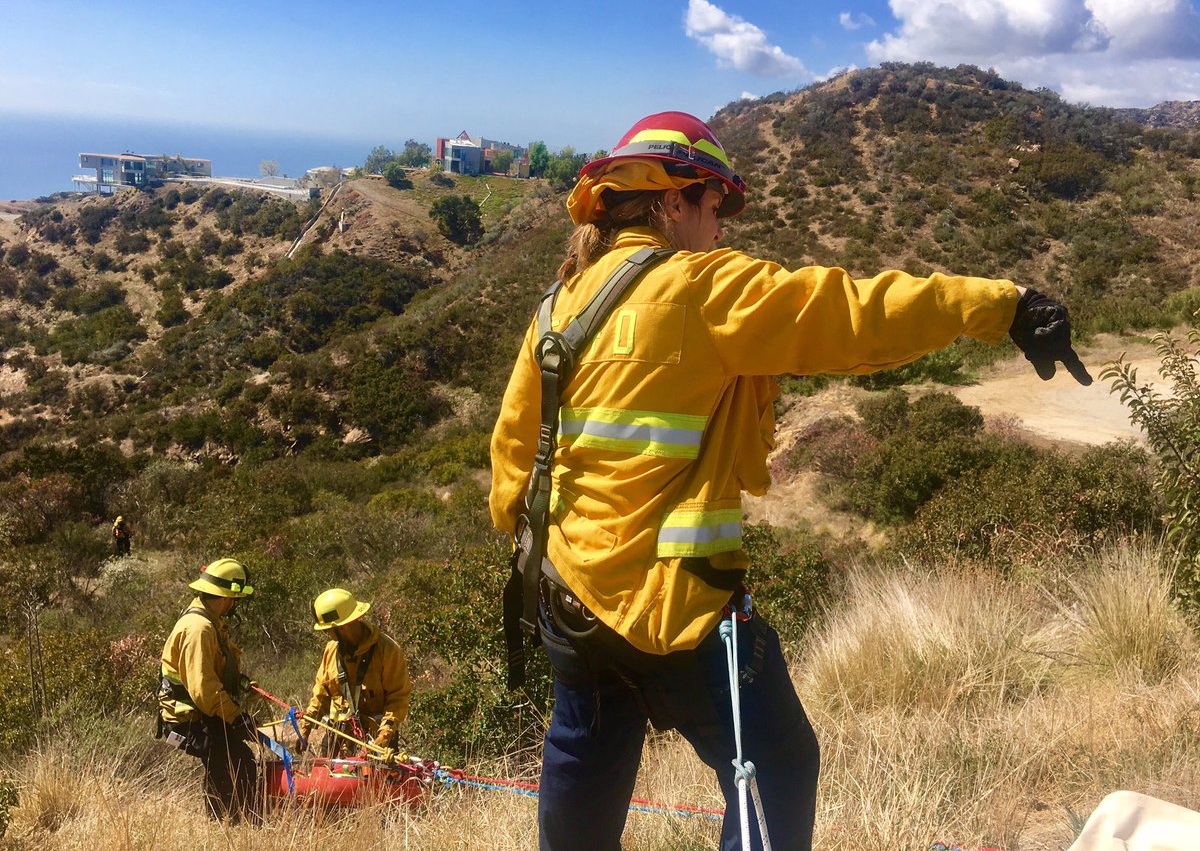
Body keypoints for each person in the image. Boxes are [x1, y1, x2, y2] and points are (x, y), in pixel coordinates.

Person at [489, 111, 1092, 851]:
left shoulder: (559, 304)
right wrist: (1002, 306)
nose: (721, 229)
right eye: (717, 208)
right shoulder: (702, 288)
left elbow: (513, 458)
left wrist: (563, 565)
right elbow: (850, 315)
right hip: (677, 611)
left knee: (584, 757)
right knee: (776, 761)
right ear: (674, 200)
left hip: (567, 601)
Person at [157, 557, 259, 824]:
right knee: (236, 764)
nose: (235, 604)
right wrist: (236, 717)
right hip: (189, 719)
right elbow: (204, 690)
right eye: (235, 598)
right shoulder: (199, 628)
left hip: (203, 712)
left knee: (234, 761)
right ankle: (231, 825)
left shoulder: (208, 620)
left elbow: (211, 672)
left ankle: (232, 821)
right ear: (227, 597)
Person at [299, 588, 411, 758]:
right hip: (338, 735)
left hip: (377, 739)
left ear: (342, 627)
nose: (326, 633)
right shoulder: (331, 650)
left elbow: (397, 697)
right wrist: (305, 728)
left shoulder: (386, 650)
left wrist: (383, 737)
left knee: (374, 782)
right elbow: (321, 693)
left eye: (327, 629)